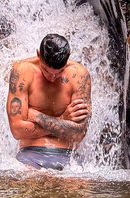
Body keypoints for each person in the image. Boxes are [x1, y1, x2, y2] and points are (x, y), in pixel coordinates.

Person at [6, 33, 92, 171]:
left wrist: (36, 116)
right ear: (38, 54)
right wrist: (62, 119)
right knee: (25, 181)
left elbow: (78, 134)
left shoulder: (79, 75)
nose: (52, 78)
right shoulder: (23, 72)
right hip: (30, 156)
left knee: (82, 188)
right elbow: (17, 131)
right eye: (46, 70)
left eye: (59, 72)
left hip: (69, 158)